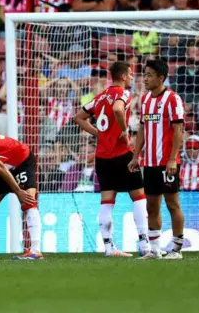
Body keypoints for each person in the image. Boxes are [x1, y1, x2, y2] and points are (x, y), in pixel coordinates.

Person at [73, 62, 150, 257]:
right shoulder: (123, 94)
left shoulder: (99, 97)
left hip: (102, 157)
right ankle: (145, 245)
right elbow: (117, 109)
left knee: (107, 200)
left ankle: (109, 247)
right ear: (123, 76)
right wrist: (124, 131)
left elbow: (79, 117)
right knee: (139, 197)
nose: (132, 77)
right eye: (131, 74)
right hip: (122, 153)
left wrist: (99, 134)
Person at [129, 59, 186, 260]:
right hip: (150, 163)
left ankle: (177, 250)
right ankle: (154, 250)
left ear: (160, 78)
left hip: (167, 163)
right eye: (144, 74)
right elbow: (143, 129)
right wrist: (136, 156)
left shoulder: (172, 99)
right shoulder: (145, 100)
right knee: (151, 205)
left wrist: (172, 159)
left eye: (149, 75)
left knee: (172, 204)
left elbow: (178, 130)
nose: (145, 79)